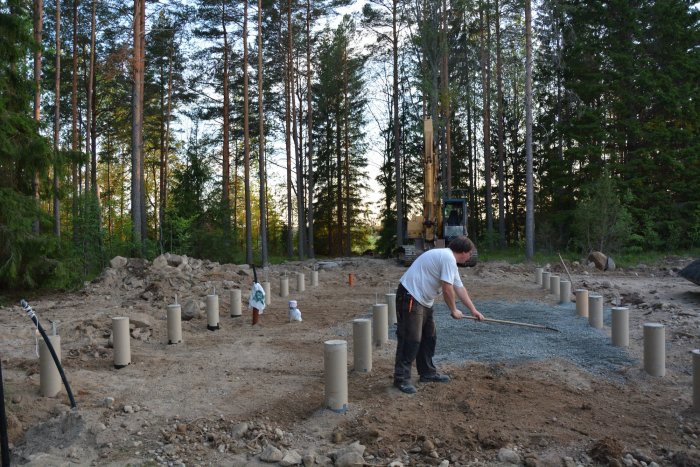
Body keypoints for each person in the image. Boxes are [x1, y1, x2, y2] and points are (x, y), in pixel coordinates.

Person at [393, 236, 484, 394]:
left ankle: (427, 373)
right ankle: (401, 379)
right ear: (463, 252)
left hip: (423, 301)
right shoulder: (448, 258)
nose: (470, 257)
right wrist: (454, 310)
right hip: (410, 296)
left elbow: (459, 289)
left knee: (429, 337)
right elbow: (447, 288)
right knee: (411, 338)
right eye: (470, 253)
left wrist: (473, 310)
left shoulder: (450, 262)